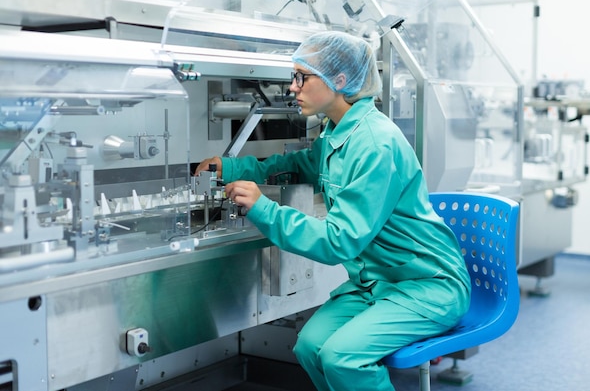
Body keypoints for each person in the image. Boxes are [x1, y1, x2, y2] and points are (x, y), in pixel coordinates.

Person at [194, 31, 470, 391]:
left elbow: (339, 241)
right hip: (378, 283)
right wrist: (230, 169)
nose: (293, 87)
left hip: (427, 285)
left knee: (342, 356)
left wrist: (264, 209)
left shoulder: (375, 144)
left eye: (301, 77)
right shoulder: (337, 131)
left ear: (339, 80)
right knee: (310, 347)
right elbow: (300, 164)